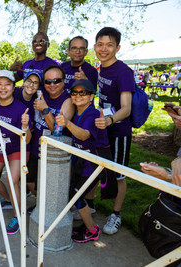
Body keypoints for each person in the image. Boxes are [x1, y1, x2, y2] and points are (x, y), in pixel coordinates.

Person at [55, 79, 117, 243]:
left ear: (91, 96)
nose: (78, 95)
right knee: (75, 193)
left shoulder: (92, 113)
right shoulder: (78, 112)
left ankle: (92, 230)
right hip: (83, 161)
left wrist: (66, 123)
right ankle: (87, 219)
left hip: (94, 163)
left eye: (83, 92)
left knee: (74, 195)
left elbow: (84, 135)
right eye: (75, 92)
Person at [94, 27, 135, 235]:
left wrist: (109, 120)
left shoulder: (124, 72)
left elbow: (126, 108)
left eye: (109, 45)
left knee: (118, 174)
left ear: (117, 47)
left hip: (118, 131)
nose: (104, 48)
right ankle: (89, 204)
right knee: (96, 167)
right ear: (95, 47)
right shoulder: (101, 68)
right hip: (103, 128)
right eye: (100, 44)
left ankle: (116, 214)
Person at [27, 65, 75, 213]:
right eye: (48, 82)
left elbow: (57, 130)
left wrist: (45, 109)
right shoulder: (41, 94)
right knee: (30, 182)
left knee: (51, 187)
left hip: (55, 154)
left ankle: (50, 211)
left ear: (64, 80)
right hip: (37, 148)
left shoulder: (68, 101)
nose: (52, 85)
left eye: (57, 80)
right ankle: (43, 204)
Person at [0, 70, 32, 234]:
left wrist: (25, 126)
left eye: (7, 84)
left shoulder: (21, 109)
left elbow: (27, 139)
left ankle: (17, 216)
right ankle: (8, 199)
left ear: (14, 87)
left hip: (17, 149)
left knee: (11, 179)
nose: (3, 88)